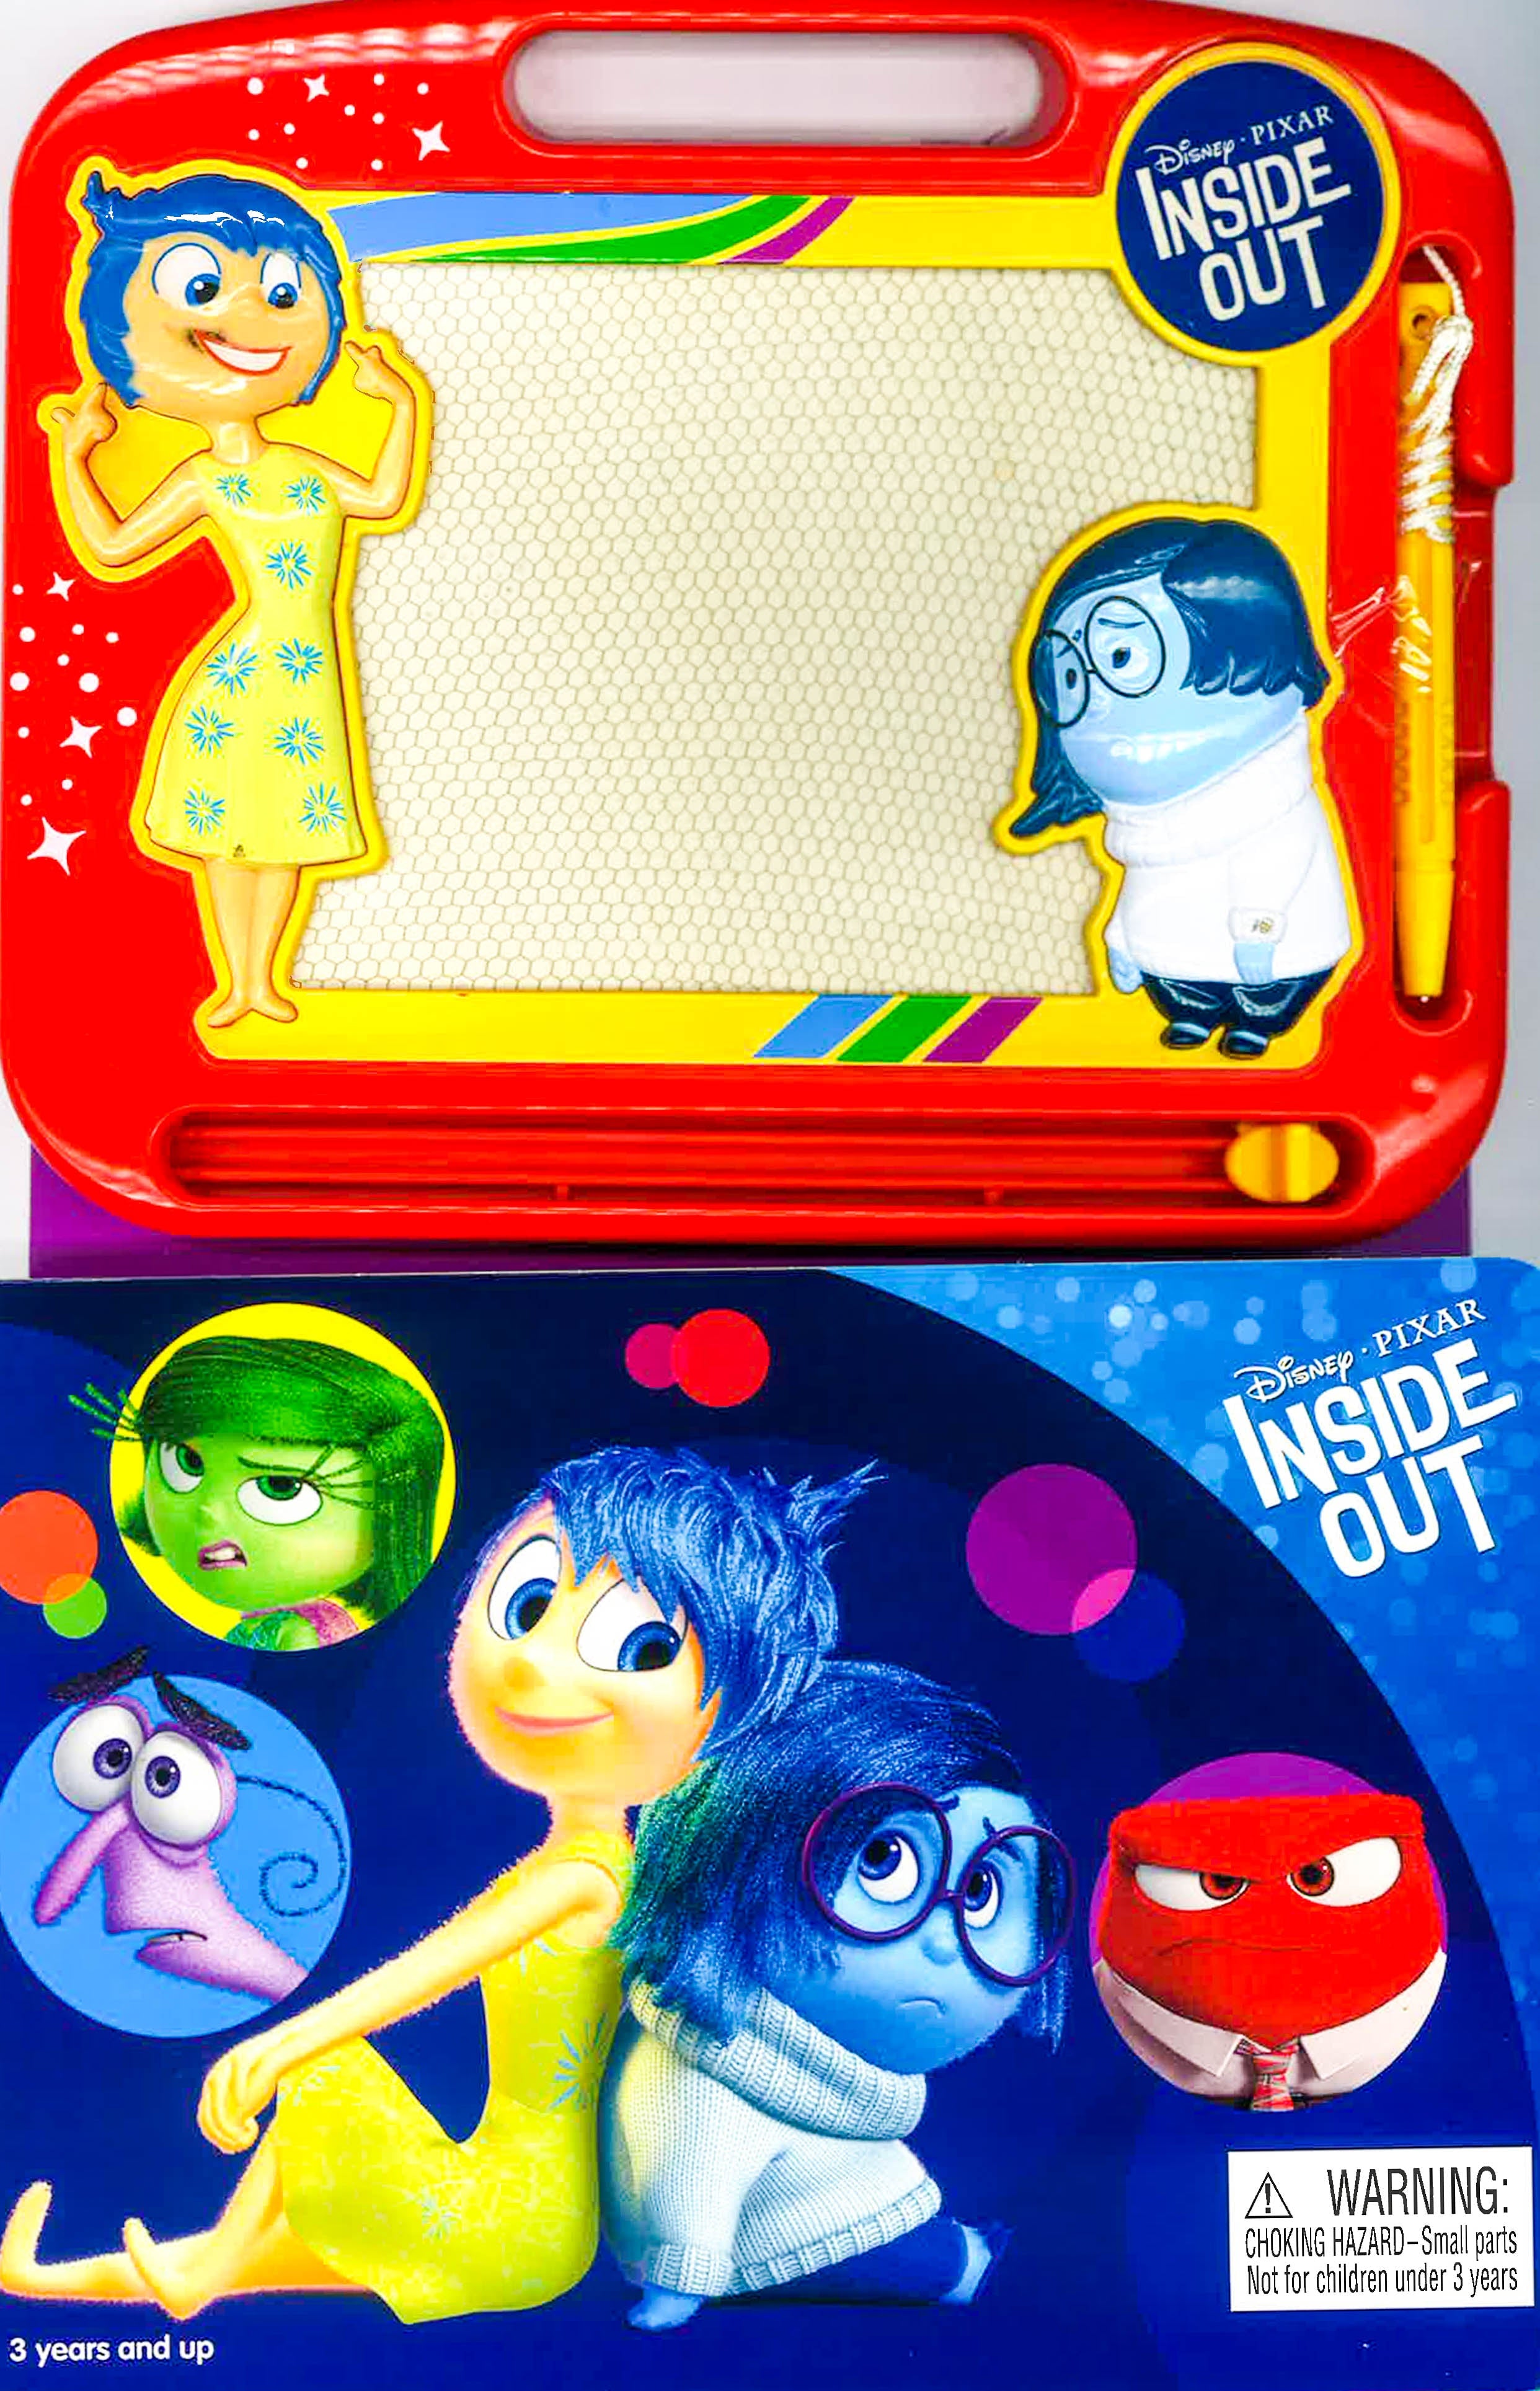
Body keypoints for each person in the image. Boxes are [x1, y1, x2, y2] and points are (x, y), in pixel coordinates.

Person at [0, 1447, 861, 2321]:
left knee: (329, 2068)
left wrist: (280, 2047)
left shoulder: (585, 1879)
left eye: (637, 1648)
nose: (533, 1665)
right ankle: (57, 2278)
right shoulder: (574, 1865)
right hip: (504, 2207)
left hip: (517, 2216)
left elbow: (428, 1971)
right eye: (526, 1607)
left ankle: (202, 2270)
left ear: (724, 1718)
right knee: (268, 2250)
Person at [52, 169, 427, 1026]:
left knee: (291, 825)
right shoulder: (204, 479)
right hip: (244, 675)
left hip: (307, 677)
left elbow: (380, 496)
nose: (255, 318)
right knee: (228, 830)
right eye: (205, 289)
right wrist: (74, 459)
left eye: (284, 294)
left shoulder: (302, 469)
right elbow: (113, 546)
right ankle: (240, 982)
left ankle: (259, 979)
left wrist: (400, 402)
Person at [602, 1658, 1073, 2327]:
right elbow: (682, 2179)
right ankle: (970, 2264)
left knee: (967, 2253)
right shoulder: (701, 2073)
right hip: (791, 2244)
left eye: (978, 1890)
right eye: (883, 1860)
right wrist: (677, 2287)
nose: (944, 1941)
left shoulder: (776, 2056)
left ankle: (970, 2257)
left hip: (841, 2208)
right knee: (953, 2265)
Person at [1006, 516, 1351, 1058]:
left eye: (1122, 658)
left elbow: (1279, 864)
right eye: (1071, 677)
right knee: (1175, 977)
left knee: (1268, 987)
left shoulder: (1273, 806)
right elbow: (1144, 889)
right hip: (1170, 955)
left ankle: (1257, 1020)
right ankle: (1191, 1011)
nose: (1100, 705)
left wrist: (1259, 929)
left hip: (1271, 952)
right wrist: (1123, 940)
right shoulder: (1141, 829)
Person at [95, 1331, 446, 1651]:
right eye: (187, 1462)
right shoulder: (263, 1623)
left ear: (390, 1516)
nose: (209, 1509)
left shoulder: (299, 1635)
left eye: (280, 1486)